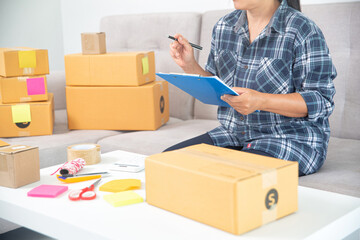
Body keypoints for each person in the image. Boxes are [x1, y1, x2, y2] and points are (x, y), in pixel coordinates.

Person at [165, 0, 337, 176]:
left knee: (229, 177)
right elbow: (219, 87)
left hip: (289, 139)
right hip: (233, 133)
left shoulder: (303, 29)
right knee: (166, 164)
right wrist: (189, 65)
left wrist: (261, 101)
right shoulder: (224, 26)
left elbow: (321, 100)